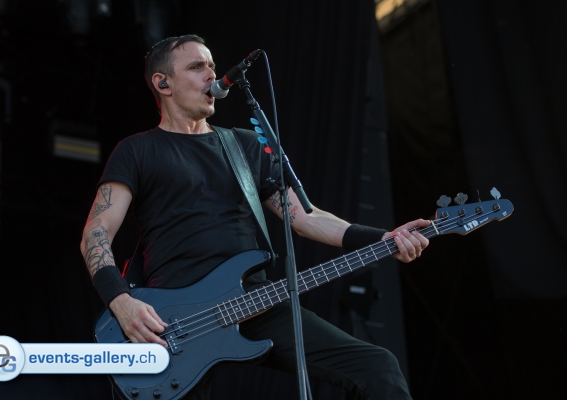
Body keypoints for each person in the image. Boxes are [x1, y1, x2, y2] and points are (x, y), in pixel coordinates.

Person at [80, 34, 429, 400]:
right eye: (197, 67)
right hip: (172, 320)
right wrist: (121, 301)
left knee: (378, 367)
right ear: (162, 83)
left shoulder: (243, 145)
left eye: (212, 66)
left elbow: (305, 217)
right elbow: (96, 233)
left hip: (252, 302)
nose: (211, 75)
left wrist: (383, 238)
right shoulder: (137, 150)